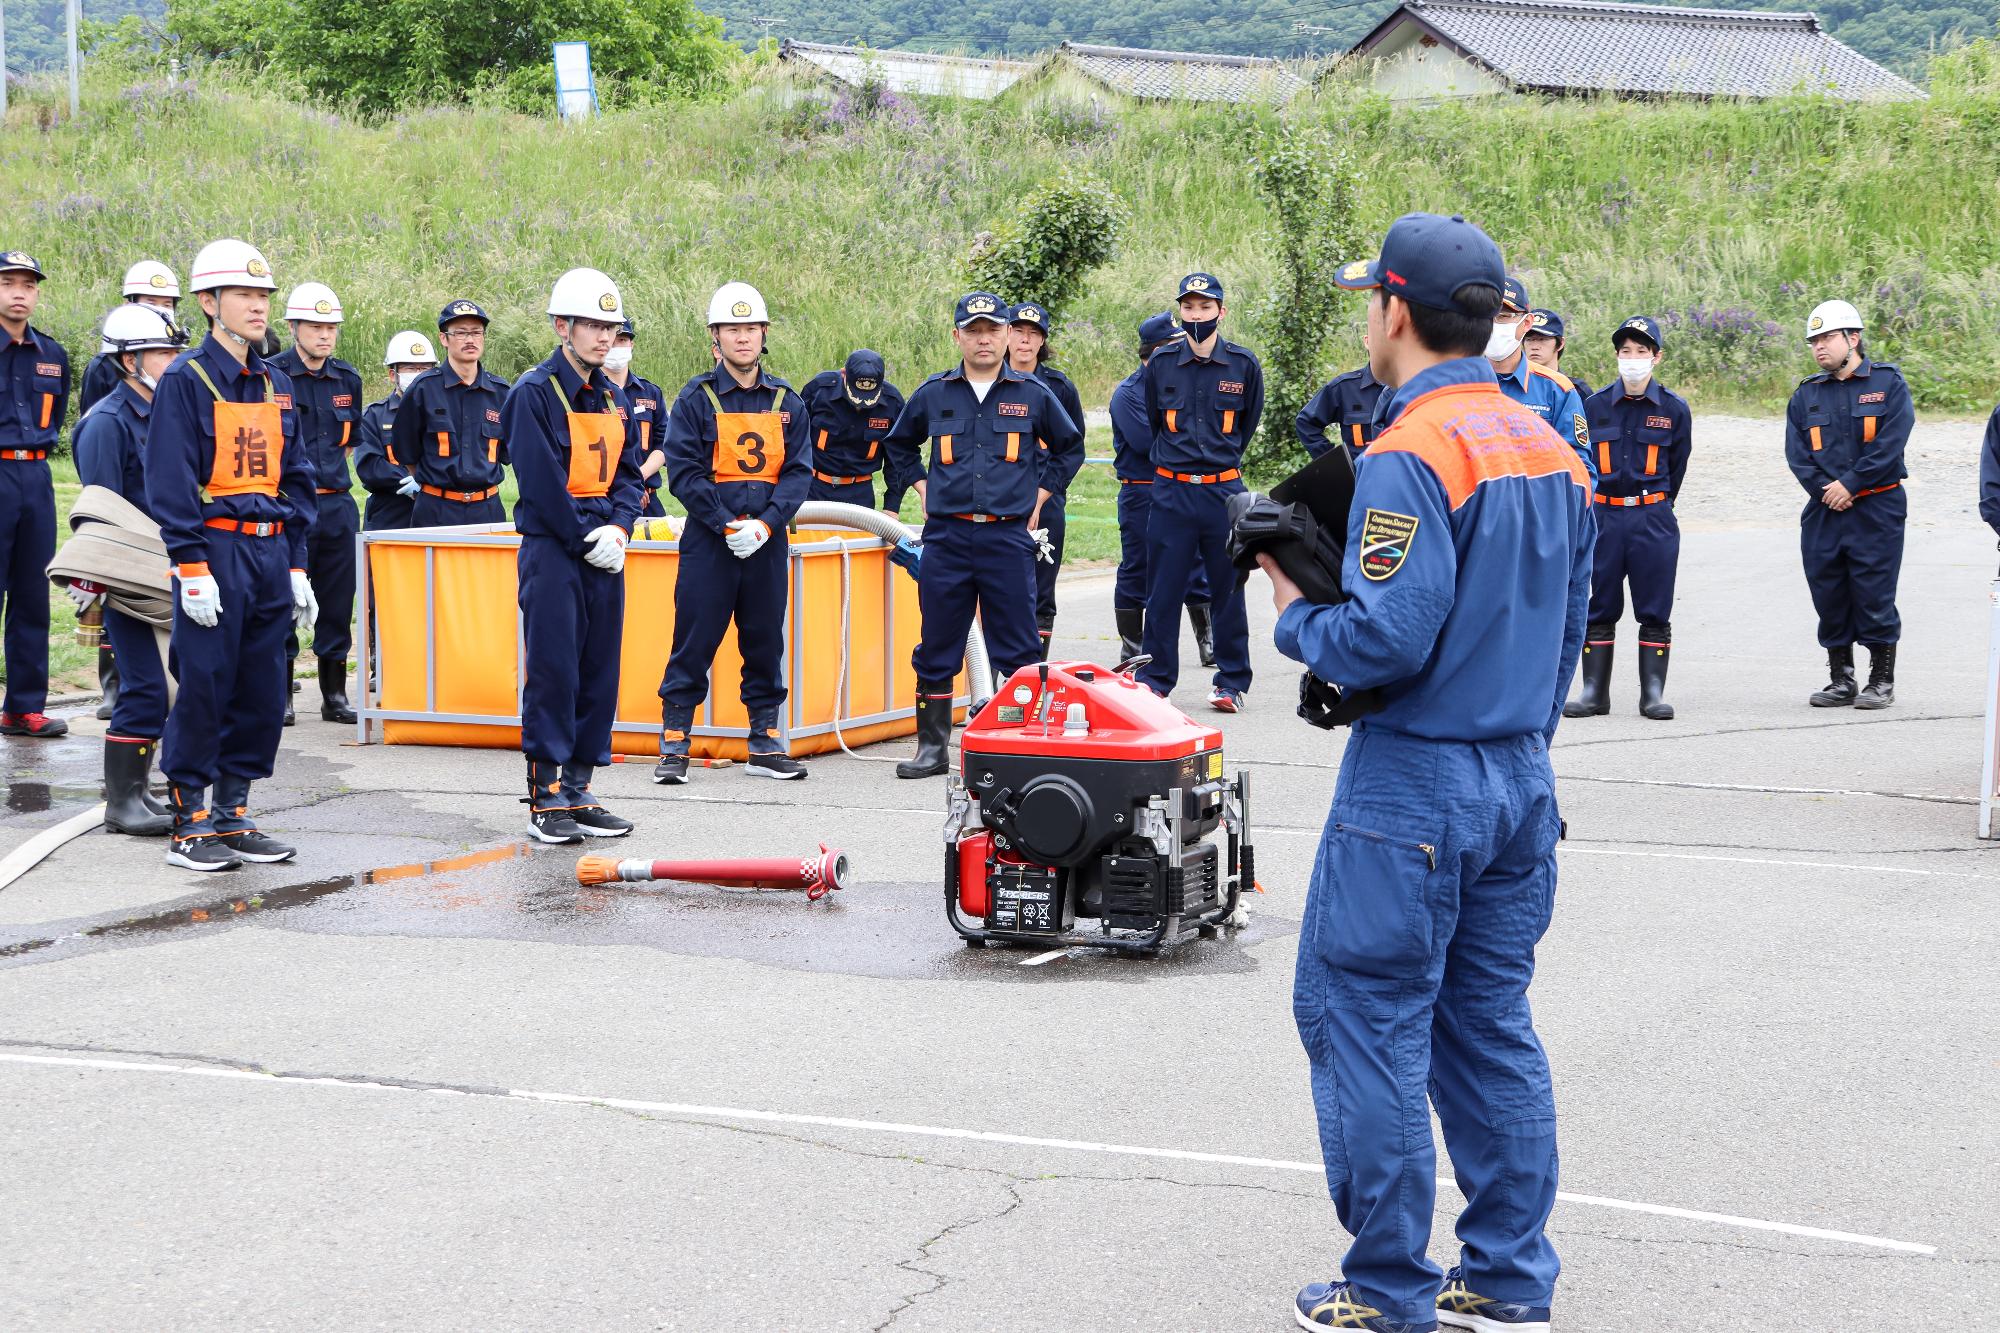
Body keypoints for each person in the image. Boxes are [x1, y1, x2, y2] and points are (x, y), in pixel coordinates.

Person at [1277, 213, 1590, 1333]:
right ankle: (1506, 1276)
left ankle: (1384, 1284)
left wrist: (1296, 611)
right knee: (1486, 1022)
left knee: (1357, 1013)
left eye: (1370, 299)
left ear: (1393, 312)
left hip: (1412, 780)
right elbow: (1568, 634)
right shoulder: (1553, 445)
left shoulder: (1411, 448)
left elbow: (1384, 638)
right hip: (1519, 774)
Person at [147, 238, 318, 871]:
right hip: (214, 550)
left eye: (263, 295)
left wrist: (296, 560)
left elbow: (294, 475)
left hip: (270, 554)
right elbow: (168, 479)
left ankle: (234, 813)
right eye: (244, 295)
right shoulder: (186, 381)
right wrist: (190, 567)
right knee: (206, 683)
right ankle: (190, 821)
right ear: (208, 302)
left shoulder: (274, 382)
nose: (257, 306)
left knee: (262, 683)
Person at [880, 291, 1083, 779]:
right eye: (973, 331)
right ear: (958, 337)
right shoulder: (934, 393)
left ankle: (1016, 746)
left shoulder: (1032, 394)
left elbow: (1069, 447)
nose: (984, 339)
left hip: (1007, 539)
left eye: (993, 330)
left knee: (1017, 647)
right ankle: (932, 749)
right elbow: (899, 444)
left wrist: (1039, 498)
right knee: (938, 644)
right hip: (947, 540)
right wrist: (923, 487)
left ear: (1009, 335)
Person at [506, 268, 645, 843]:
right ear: (562, 326)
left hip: (602, 551)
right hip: (556, 551)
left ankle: (581, 788)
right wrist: (587, 537)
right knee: (554, 671)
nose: (602, 336)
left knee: (597, 671)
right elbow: (539, 483)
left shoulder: (612, 397)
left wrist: (620, 529)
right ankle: (545, 796)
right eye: (590, 324)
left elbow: (630, 474)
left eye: (609, 326)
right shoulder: (534, 394)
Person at [654, 282, 812, 786]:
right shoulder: (696, 399)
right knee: (694, 639)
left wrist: (767, 525)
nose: (742, 338)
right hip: (709, 543)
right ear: (715, 338)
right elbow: (684, 472)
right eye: (731, 329)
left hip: (767, 543)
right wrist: (724, 524)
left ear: (763, 334)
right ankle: (675, 743)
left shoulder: (789, 400)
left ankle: (765, 740)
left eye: (750, 329)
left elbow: (799, 472)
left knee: (765, 640)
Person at [70, 304, 190, 836]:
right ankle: (123, 802)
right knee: (144, 686)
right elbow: (102, 511)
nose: (172, 360)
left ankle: (140, 790)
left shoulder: (167, 413)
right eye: (161, 352)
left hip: (170, 565)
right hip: (127, 571)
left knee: (169, 685)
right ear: (127, 361)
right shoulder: (107, 423)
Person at [1138, 272, 1262, 711]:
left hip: (1222, 493)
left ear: (1220, 312)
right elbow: (1155, 422)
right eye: (1189, 308)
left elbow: (1244, 428)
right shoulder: (1163, 363)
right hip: (1172, 490)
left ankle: (1231, 682)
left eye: (1205, 308)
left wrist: (1216, 464)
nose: (1196, 315)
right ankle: (1155, 679)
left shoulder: (1243, 365)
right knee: (1164, 589)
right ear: (1181, 311)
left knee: (1228, 586)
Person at [1785, 299, 1911, 710]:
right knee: (1829, 592)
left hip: (1877, 507)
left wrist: (1852, 484)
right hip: (1825, 509)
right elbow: (1797, 454)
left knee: (1874, 592)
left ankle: (1881, 680)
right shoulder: (1806, 395)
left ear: (1853, 338)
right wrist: (1827, 490)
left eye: (1827, 338)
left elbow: (1891, 444)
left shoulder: (1888, 384)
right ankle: (1842, 679)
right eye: (1814, 340)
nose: (1819, 347)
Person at [1567, 316, 1691, 721]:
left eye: (1641, 351)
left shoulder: (1674, 409)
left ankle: (1652, 694)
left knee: (1654, 607)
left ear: (1656, 357)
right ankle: (1594, 693)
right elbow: (1582, 458)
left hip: (1652, 516)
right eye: (1625, 352)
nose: (1632, 359)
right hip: (1603, 515)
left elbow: (1677, 466)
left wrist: (1654, 504)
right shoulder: (1594, 405)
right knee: (1599, 604)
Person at [272, 282, 364, 726]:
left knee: (336, 601)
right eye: (314, 325)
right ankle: (282, 693)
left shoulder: (348, 379)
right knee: (284, 599)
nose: (324, 335)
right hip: (287, 505)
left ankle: (333, 694)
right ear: (292, 327)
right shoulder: (271, 376)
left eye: (331, 327)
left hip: (337, 505)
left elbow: (348, 444)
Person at [1108, 311, 1212, 665]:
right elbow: (1145, 443)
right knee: (1138, 565)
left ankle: (1207, 640)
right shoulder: (1128, 394)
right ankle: (1133, 647)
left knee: (1194, 563)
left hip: (1184, 486)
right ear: (1153, 352)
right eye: (1174, 346)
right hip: (1143, 491)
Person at [0, 250, 71, 740]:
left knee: (31, 596)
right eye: (9, 284)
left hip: (36, 477)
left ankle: (23, 707)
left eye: (28, 284)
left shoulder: (52, 354)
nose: (20, 293)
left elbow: (59, 412)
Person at [1005, 301, 1086, 659]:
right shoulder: (987, 380)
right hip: (997, 500)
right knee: (995, 587)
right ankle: (988, 682)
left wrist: (1040, 499)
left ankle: (1033, 676)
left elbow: (1072, 448)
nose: (1025, 340)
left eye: (1033, 334)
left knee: (1041, 589)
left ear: (1042, 342)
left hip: (1046, 499)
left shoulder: (1059, 388)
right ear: (1005, 335)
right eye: (1018, 331)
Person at [392, 299, 510, 528]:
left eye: (476, 332)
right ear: (443, 338)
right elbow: (406, 450)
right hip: (435, 510)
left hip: (487, 510)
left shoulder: (501, 392)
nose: (470, 340)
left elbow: (508, 452)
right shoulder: (423, 389)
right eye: (461, 333)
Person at [1488, 278, 1591, 475]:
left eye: (1504, 316)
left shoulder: (1558, 390)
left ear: (1526, 323)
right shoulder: (1457, 384)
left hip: (1537, 504)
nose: (1494, 325)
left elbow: (1579, 469)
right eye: (1488, 315)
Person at [799, 349, 906, 512]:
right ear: (843, 374)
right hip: (813, 488)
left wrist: (892, 507)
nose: (860, 405)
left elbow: (897, 459)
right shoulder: (819, 391)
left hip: (859, 494)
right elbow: (794, 439)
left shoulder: (893, 403)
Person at [353, 330, 438, 532]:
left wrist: (426, 481)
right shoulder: (374, 416)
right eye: (411, 368)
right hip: (390, 512)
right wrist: (411, 480)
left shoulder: (443, 413)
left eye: (424, 368)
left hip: (435, 510)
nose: (418, 374)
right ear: (393, 374)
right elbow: (369, 465)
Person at [79, 260, 181, 416]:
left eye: (167, 305)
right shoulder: (103, 367)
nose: (159, 311)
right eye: (150, 303)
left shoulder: (179, 360)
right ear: (129, 304)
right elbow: (91, 417)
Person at [603, 319, 670, 519]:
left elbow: (664, 443)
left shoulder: (650, 392)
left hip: (648, 499)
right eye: (613, 341)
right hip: (606, 499)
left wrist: (638, 478)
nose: (616, 347)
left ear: (631, 344)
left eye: (622, 340)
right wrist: (626, 487)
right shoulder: (590, 393)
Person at [1296, 330, 1387, 459]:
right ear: (1367, 341)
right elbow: (1306, 423)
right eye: (1381, 337)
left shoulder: (1408, 388)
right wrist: (1336, 462)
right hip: (1359, 477)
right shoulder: (1344, 388)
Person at [1522, 309, 1592, 400]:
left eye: (1542, 339)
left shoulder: (1576, 391)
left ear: (1561, 343)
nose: (1534, 346)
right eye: (1529, 339)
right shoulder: (1511, 385)